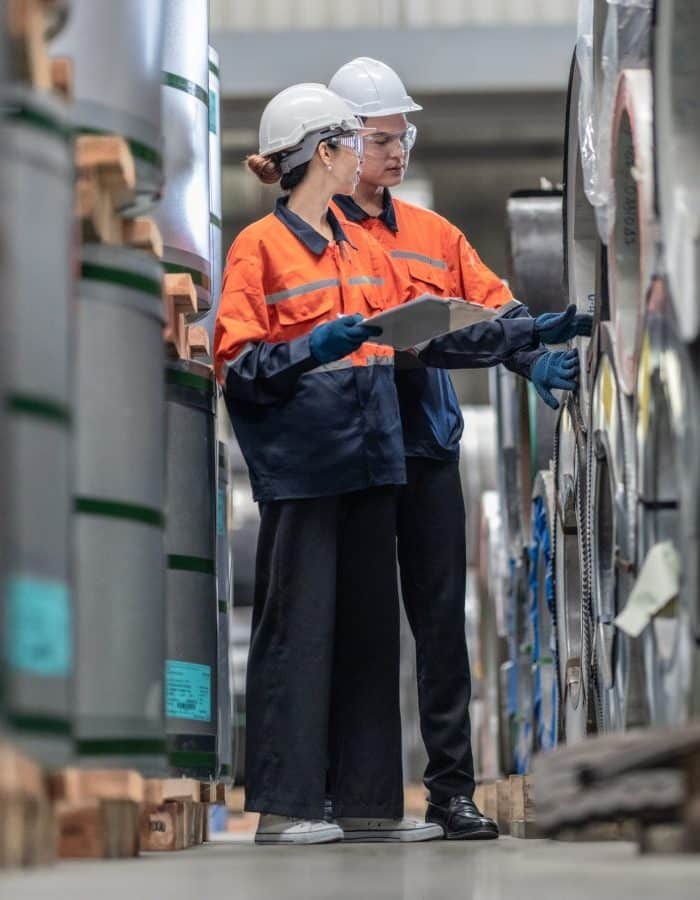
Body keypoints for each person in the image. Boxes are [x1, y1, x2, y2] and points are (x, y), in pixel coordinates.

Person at [215, 82, 582, 846]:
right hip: (309, 464)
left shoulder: (360, 248)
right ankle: (287, 806)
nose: (371, 156)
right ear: (325, 152)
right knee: (302, 631)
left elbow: (424, 341)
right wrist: (310, 347)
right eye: (356, 142)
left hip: (375, 458)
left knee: (372, 635)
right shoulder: (261, 247)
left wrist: (531, 334)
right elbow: (239, 365)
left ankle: (367, 805)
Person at [328, 57, 592, 840]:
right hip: (354, 451)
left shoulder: (434, 233)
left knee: (440, 626)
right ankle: (361, 795)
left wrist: (530, 353)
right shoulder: (319, 236)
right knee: (367, 627)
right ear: (341, 142)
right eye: (382, 137)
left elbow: (494, 307)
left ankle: (451, 792)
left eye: (404, 133)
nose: (398, 149)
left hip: (428, 449)